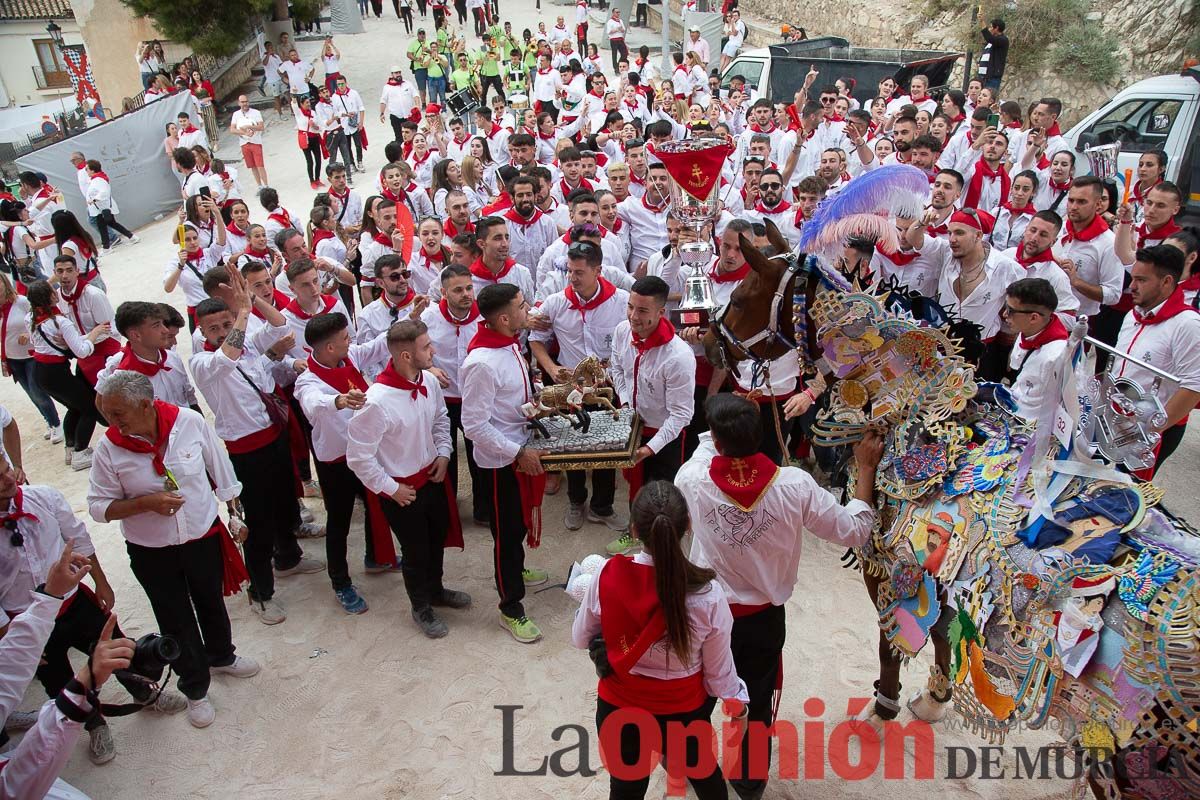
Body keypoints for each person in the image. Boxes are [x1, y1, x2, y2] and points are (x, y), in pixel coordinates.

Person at [675, 395, 882, 799]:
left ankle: (687, 760)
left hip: (705, 613)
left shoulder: (692, 479)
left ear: (717, 442)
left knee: (694, 694)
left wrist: (728, 421)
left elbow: (706, 446)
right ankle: (750, 782)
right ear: (763, 437)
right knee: (755, 699)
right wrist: (867, 469)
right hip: (762, 619)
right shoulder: (794, 485)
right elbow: (855, 531)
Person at [87, 371, 261, 731]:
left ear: (146, 405)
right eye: (107, 413)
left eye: (118, 413)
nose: (111, 422)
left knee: (210, 601)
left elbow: (221, 471)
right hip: (152, 551)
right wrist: (144, 503)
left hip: (200, 537)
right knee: (175, 617)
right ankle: (195, 687)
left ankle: (222, 655)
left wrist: (234, 513)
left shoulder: (189, 422)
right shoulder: (109, 446)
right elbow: (98, 507)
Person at [571, 481, 749, 800]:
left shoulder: (606, 575)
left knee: (625, 791)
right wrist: (739, 706)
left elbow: (580, 637)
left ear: (635, 530)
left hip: (619, 710)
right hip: (683, 714)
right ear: (688, 526)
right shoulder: (708, 596)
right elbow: (719, 674)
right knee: (708, 782)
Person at [190, 273, 325, 627]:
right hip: (247, 450)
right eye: (212, 327)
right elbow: (227, 357)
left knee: (285, 503)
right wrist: (243, 313)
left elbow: (280, 325)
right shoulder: (203, 362)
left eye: (225, 323)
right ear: (201, 332)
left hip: (273, 434)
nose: (220, 331)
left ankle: (289, 558)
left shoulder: (246, 339)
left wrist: (251, 299)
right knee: (259, 523)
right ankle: (260, 593)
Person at [347, 319, 471, 637]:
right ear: (405, 355)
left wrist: (444, 453)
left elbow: (441, 420)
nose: (433, 350)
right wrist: (391, 489)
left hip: (432, 477)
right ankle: (421, 607)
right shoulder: (375, 401)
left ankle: (436, 590)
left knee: (436, 539)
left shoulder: (427, 381)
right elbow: (358, 457)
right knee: (415, 551)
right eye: (426, 347)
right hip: (403, 489)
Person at [0, 543, 132, 798]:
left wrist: (49, 597)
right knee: (56, 677)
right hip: (26, 616)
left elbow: (4, 672)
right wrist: (81, 685)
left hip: (54, 607)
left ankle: (143, 692)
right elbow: (16, 787)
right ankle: (93, 723)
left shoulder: (39, 502)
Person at [460, 282, 549, 643]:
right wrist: (516, 452)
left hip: (518, 445)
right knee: (506, 535)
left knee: (515, 526)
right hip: (501, 462)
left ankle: (516, 570)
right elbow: (474, 425)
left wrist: (537, 399)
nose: (528, 310)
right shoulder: (481, 362)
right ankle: (510, 607)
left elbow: (511, 397)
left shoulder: (509, 343)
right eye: (522, 306)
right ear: (503, 318)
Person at [295, 313, 395, 614]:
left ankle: (376, 556)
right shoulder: (307, 380)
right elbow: (313, 404)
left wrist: (409, 318)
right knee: (339, 523)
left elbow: (375, 348)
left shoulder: (347, 356)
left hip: (363, 452)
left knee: (377, 506)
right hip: (336, 462)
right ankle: (340, 583)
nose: (350, 341)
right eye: (344, 338)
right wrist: (339, 401)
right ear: (327, 348)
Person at [529, 241, 630, 535]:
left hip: (606, 384)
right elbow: (536, 339)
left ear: (598, 270)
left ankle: (602, 506)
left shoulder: (621, 301)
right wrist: (550, 369)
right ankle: (576, 502)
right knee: (570, 446)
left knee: (606, 447)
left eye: (580, 272)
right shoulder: (555, 302)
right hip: (569, 389)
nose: (572, 277)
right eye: (570, 271)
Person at [607, 275, 695, 554]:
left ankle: (663, 551)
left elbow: (682, 414)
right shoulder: (622, 331)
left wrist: (650, 447)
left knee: (662, 498)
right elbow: (617, 368)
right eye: (631, 307)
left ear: (661, 312)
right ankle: (634, 531)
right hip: (633, 426)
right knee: (636, 487)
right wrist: (625, 404)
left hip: (663, 436)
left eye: (642, 310)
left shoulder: (678, 356)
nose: (633, 316)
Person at [1114, 245, 1200, 476]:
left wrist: (1149, 429)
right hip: (1115, 421)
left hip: (1152, 430)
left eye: (1141, 280)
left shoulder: (1187, 324)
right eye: (1133, 278)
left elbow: (1194, 387)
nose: (1131, 286)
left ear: (1166, 281)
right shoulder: (1133, 314)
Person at [26, 280, 107, 471]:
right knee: (89, 408)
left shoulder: (30, 317)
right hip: (56, 373)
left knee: (74, 407)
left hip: (40, 372)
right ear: (52, 297)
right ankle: (80, 451)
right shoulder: (61, 322)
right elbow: (81, 352)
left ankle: (70, 448)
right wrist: (94, 334)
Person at [1003, 277, 1071, 422]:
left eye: (1010, 311)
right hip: (1015, 408)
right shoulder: (1027, 331)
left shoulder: (1056, 356)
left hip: (1033, 426)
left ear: (1034, 318)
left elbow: (1067, 405)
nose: (1004, 315)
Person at [53, 254, 121, 386]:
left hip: (105, 347)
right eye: (60, 271)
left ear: (77, 271)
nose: (64, 276)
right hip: (83, 350)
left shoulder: (93, 295)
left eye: (69, 270)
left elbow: (106, 330)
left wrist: (74, 341)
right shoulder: (57, 298)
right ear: (54, 273)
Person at [81, 160, 138, 253]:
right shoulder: (96, 179)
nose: (86, 171)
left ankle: (106, 247)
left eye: (87, 169)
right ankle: (130, 237)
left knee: (103, 227)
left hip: (102, 208)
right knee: (110, 224)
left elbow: (104, 192)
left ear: (92, 170)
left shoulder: (98, 180)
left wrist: (95, 199)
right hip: (100, 208)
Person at [230, 95, 268, 188]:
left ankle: (266, 186)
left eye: (246, 101)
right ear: (239, 103)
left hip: (256, 142)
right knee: (252, 166)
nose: (245, 104)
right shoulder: (236, 114)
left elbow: (261, 127)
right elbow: (232, 129)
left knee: (260, 165)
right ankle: (259, 186)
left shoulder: (256, 113)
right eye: (242, 102)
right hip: (244, 143)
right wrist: (244, 132)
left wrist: (249, 127)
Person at [977, 18, 1009, 92]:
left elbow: (989, 38)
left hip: (992, 77)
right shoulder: (991, 43)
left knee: (989, 97)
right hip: (982, 76)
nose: (989, 29)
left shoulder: (1003, 40)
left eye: (991, 27)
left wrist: (982, 21)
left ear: (996, 28)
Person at [604, 8, 627, 74]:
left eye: (619, 12)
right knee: (614, 55)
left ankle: (618, 65)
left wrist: (621, 29)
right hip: (614, 40)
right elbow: (608, 32)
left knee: (624, 53)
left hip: (620, 39)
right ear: (613, 13)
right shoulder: (610, 22)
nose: (618, 13)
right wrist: (616, 29)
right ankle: (616, 69)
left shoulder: (620, 21)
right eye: (617, 12)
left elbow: (623, 30)